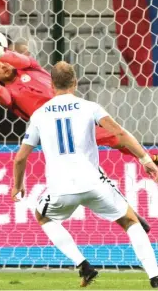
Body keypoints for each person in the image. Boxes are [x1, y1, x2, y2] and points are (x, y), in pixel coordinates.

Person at [0, 43, 154, 232]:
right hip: (57, 136)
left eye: (3, 62)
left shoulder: (31, 68)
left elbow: (13, 57)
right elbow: (2, 96)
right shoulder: (8, 93)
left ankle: (147, 167)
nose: (3, 65)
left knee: (119, 140)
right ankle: (131, 210)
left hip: (77, 119)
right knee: (98, 166)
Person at [11, 62, 158, 288]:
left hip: (60, 189)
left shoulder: (39, 115)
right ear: (75, 83)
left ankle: (83, 264)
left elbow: (20, 157)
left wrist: (17, 185)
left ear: (51, 85)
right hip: (93, 183)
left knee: (42, 216)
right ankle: (154, 274)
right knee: (130, 221)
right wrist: (145, 159)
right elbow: (118, 132)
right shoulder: (89, 107)